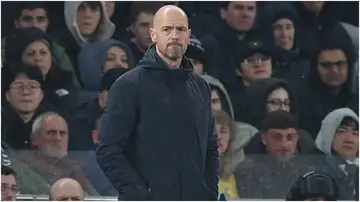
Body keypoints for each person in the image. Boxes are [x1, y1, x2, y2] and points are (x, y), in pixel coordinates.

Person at [96, 5, 219, 201]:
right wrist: (141, 196)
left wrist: (209, 194)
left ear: (188, 35)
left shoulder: (201, 87)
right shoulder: (128, 86)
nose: (174, 35)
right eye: (167, 29)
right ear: (153, 35)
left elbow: (211, 148)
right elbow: (108, 151)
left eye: (180, 30)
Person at [314, 108, 359, 200]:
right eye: (341, 131)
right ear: (327, 133)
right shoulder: (316, 174)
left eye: (355, 133)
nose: (349, 140)